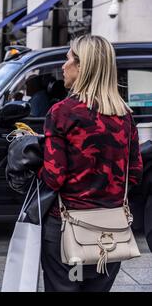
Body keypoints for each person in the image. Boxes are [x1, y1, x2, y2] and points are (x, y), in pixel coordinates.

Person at [38, 35, 143, 292]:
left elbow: (54, 177)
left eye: (68, 59)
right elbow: (135, 172)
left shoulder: (62, 112)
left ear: (83, 66)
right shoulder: (125, 116)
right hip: (112, 230)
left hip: (67, 228)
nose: (63, 66)